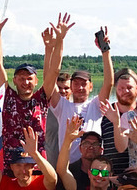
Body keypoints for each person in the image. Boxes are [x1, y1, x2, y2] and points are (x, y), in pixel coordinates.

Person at [0, 8, 72, 174]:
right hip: (11, 165)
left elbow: (54, 70)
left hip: (38, 165)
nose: (25, 82)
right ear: (15, 80)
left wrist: (60, 40)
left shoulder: (41, 98)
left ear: (36, 81)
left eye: (29, 78)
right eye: (21, 78)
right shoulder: (7, 96)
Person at [47, 28, 114, 163]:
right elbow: (50, 77)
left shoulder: (95, 106)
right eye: (76, 84)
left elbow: (108, 83)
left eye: (84, 84)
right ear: (71, 87)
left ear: (91, 87)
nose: (80, 87)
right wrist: (57, 43)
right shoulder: (62, 106)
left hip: (93, 164)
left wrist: (105, 51)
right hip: (68, 167)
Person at [99, 69, 137, 175]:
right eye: (121, 88)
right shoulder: (105, 113)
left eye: (129, 87)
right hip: (109, 177)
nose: (125, 91)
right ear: (116, 89)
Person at [44, 72, 72, 162]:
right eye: (59, 88)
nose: (63, 91)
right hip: (50, 162)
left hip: (71, 163)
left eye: (66, 88)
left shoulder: (76, 110)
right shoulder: (44, 111)